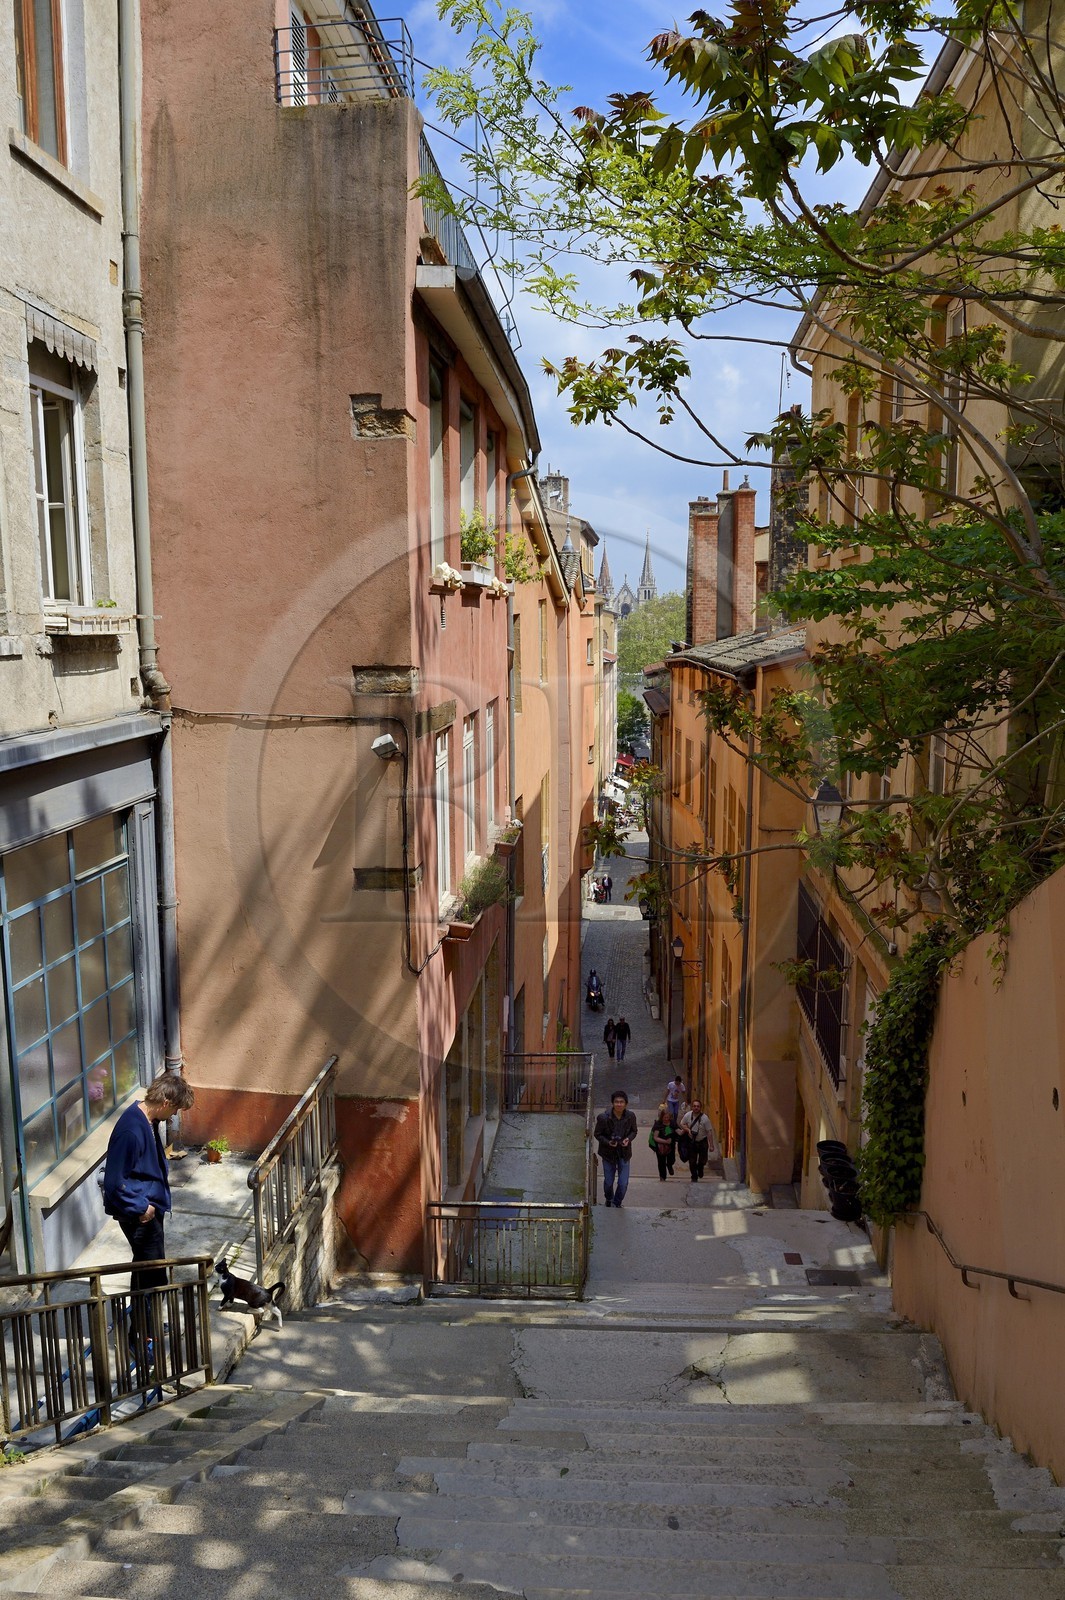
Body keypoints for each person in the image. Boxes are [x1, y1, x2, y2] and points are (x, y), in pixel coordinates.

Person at [102, 1069, 196, 1359]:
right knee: (150, 1276)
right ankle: (138, 1338)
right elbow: (113, 1183)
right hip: (139, 1214)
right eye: (177, 1109)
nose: (175, 1115)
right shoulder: (132, 1130)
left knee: (148, 1271)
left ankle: (149, 1324)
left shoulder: (148, 1119)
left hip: (149, 1208)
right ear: (166, 1101)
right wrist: (142, 1208)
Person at [593, 1090, 637, 1208]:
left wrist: (628, 1139)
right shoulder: (603, 1117)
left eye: (621, 1102)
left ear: (626, 1104)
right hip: (608, 1153)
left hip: (624, 1153)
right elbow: (597, 1134)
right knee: (608, 1182)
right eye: (616, 1102)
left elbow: (634, 1131)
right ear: (612, 1103)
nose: (619, 1104)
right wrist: (608, 1142)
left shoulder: (630, 1116)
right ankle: (609, 1199)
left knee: (623, 1183)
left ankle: (617, 1203)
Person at [680, 1099, 713, 1182]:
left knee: (703, 1160)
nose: (696, 1108)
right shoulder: (688, 1115)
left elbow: (709, 1132)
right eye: (694, 1106)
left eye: (698, 1106)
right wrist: (687, 1130)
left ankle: (700, 1168)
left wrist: (711, 1145)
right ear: (692, 1107)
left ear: (700, 1108)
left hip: (702, 1141)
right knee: (692, 1161)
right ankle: (694, 1176)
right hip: (692, 1142)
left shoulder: (705, 1119)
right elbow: (682, 1123)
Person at [650, 1102, 676, 1180]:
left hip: (671, 1146)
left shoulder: (672, 1123)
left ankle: (669, 1165)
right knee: (661, 1161)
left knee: (671, 1159)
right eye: (664, 1117)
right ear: (662, 1117)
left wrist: (685, 1130)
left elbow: (678, 1130)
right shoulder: (658, 1124)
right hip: (660, 1146)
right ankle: (662, 1177)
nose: (666, 1119)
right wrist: (665, 1141)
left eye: (667, 1117)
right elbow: (655, 1137)